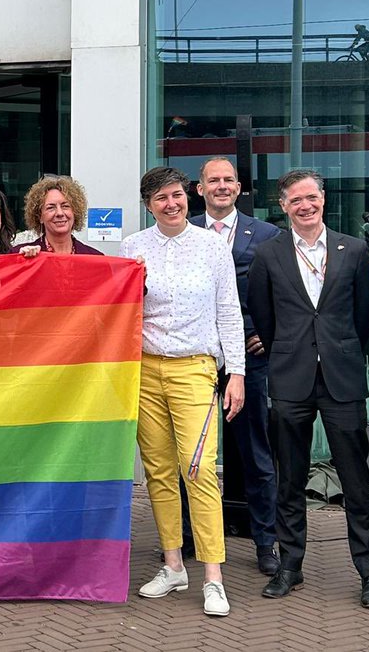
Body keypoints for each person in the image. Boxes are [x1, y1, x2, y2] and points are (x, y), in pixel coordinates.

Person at [248, 168, 369, 608]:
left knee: (357, 482)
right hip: (290, 377)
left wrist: (338, 348)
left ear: (322, 199)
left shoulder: (355, 250)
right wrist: (290, 349)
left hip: (342, 379)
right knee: (289, 478)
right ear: (284, 206)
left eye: (311, 197)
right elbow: (263, 316)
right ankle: (290, 566)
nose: (305, 206)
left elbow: (365, 315)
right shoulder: (269, 254)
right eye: (295, 200)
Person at [119, 166, 245, 618]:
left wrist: (237, 374)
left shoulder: (213, 246)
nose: (171, 204)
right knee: (157, 470)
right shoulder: (133, 246)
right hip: (146, 371)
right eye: (160, 199)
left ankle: (213, 575)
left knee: (200, 470)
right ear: (148, 205)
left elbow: (229, 311)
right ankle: (173, 564)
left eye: (176, 195)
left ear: (187, 195)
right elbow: (123, 309)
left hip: (196, 369)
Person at [190, 157, 281, 576]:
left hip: (250, 361)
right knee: (190, 454)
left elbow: (285, 292)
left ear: (239, 187)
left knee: (256, 455)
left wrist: (271, 331)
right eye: (214, 180)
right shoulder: (183, 231)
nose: (221, 186)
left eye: (228, 180)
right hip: (195, 360)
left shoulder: (266, 235)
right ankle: (192, 538)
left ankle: (266, 542)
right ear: (200, 188)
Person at [14, 175, 102, 256]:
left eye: (65, 206)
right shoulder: (20, 255)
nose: (59, 213)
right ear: (39, 216)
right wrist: (21, 261)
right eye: (51, 207)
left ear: (75, 212)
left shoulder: (96, 258)